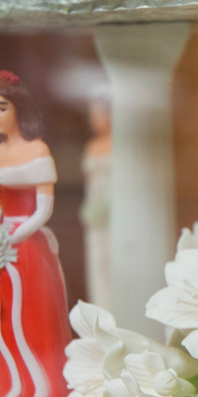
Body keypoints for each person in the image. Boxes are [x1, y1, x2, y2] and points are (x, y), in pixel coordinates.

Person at [0, 70, 109, 397]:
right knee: (1, 324)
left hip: (28, 251)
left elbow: (42, 210)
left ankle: (41, 392)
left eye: (2, 108)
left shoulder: (38, 152)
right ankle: (13, 390)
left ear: (19, 110)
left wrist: (9, 238)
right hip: (1, 252)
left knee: (30, 325)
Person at [79, 97, 112, 310]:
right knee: (98, 262)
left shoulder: (119, 145)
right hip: (97, 210)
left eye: (98, 114)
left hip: (115, 211)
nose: (94, 120)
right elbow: (90, 183)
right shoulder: (91, 146)